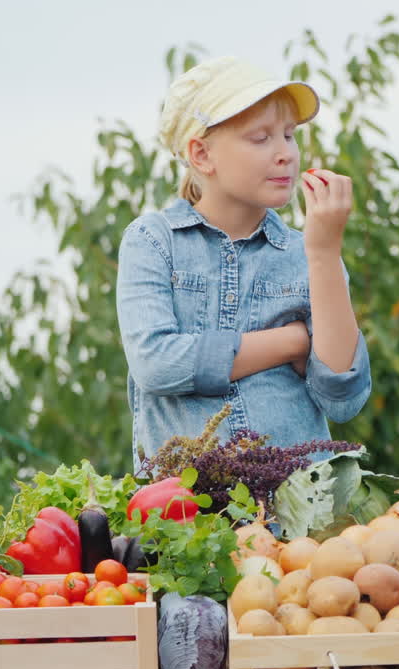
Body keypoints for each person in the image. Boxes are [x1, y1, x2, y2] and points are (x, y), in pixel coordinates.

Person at [116, 56, 371, 466]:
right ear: (201, 155)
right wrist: (292, 341)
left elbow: (343, 399)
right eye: (261, 138)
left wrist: (324, 254)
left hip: (302, 517)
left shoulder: (307, 252)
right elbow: (157, 365)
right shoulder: (152, 241)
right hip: (188, 517)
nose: (286, 153)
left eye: (289, 135)